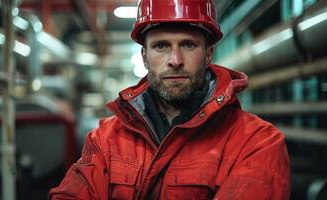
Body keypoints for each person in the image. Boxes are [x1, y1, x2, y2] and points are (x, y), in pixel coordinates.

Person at [49, 0, 291, 199]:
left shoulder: (257, 142)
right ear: (144, 57)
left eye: (188, 44)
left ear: (208, 54)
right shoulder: (105, 139)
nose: (175, 59)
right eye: (161, 46)